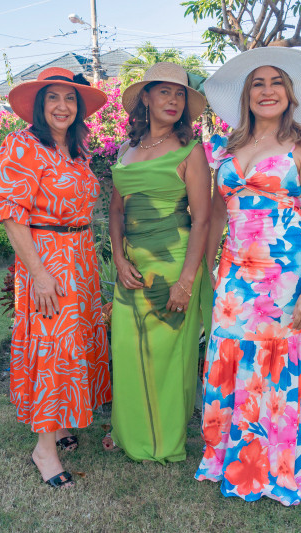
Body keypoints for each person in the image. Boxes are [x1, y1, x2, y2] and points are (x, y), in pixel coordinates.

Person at [194, 48, 301, 505]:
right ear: (247, 95)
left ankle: (274, 470)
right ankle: (229, 463)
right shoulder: (226, 147)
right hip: (235, 281)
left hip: (284, 281)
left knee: (275, 374)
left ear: (290, 94)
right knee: (231, 367)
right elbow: (216, 213)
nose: (268, 90)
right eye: (258, 83)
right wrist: (211, 266)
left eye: (276, 82)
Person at [0, 67, 111, 489]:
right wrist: (39, 273)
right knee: (52, 348)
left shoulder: (77, 150)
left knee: (73, 342)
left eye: (70, 98)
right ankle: (44, 448)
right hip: (47, 260)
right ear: (40, 105)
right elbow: (11, 214)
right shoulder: (22, 145)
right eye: (53, 98)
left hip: (80, 257)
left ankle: (59, 425)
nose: (62, 106)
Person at [105, 62, 212, 464]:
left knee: (168, 356)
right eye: (164, 91)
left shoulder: (190, 151)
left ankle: (163, 442)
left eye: (180, 93)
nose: (173, 100)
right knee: (131, 352)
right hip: (130, 269)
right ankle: (131, 434)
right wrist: (117, 257)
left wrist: (187, 281)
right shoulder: (126, 152)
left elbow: (202, 219)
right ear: (145, 98)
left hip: (173, 268)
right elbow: (116, 211)